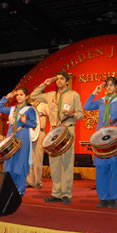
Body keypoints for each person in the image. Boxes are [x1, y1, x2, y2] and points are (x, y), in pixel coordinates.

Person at [30, 72, 84, 205]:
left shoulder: (73, 95)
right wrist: (45, 83)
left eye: (61, 79)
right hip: (53, 131)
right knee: (54, 163)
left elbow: (80, 114)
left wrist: (71, 114)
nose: (58, 81)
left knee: (66, 163)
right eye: (57, 79)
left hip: (67, 129)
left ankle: (66, 194)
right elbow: (33, 96)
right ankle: (56, 193)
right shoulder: (50, 96)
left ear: (67, 82)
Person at [84, 76, 117, 208]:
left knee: (114, 168)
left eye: (111, 85)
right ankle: (103, 197)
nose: (108, 87)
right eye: (106, 85)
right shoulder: (102, 101)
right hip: (100, 137)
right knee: (101, 167)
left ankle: (113, 198)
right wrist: (94, 92)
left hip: (114, 138)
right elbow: (86, 106)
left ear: (116, 87)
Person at [0, 87, 37, 195]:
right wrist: (6, 98)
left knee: (21, 163)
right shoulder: (12, 109)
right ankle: (10, 187)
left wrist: (25, 121)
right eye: (17, 95)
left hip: (22, 136)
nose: (18, 97)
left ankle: (20, 189)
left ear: (27, 96)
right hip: (11, 136)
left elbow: (34, 124)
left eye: (21, 95)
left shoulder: (30, 109)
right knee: (9, 162)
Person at [26, 99, 49, 189]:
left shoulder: (44, 105)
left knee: (38, 158)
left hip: (39, 133)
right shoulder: (29, 105)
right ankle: (29, 181)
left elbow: (52, 115)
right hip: (29, 133)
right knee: (28, 158)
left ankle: (38, 182)